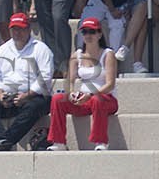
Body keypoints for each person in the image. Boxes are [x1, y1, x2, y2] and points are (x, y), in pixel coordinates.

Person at [0, 12, 54, 151]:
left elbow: (46, 78)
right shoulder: (3, 50)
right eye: (14, 29)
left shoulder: (41, 49)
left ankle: (6, 140)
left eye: (21, 29)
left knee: (33, 107)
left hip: (35, 96)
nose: (17, 32)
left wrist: (27, 95)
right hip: (10, 96)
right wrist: (0, 94)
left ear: (28, 29)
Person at [48, 16, 119, 151]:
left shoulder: (108, 54)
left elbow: (110, 84)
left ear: (99, 34)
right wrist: (72, 94)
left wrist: (90, 94)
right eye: (85, 32)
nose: (88, 35)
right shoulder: (77, 55)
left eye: (92, 32)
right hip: (85, 98)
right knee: (57, 99)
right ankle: (59, 142)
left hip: (105, 99)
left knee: (97, 99)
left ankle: (101, 141)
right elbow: (69, 80)